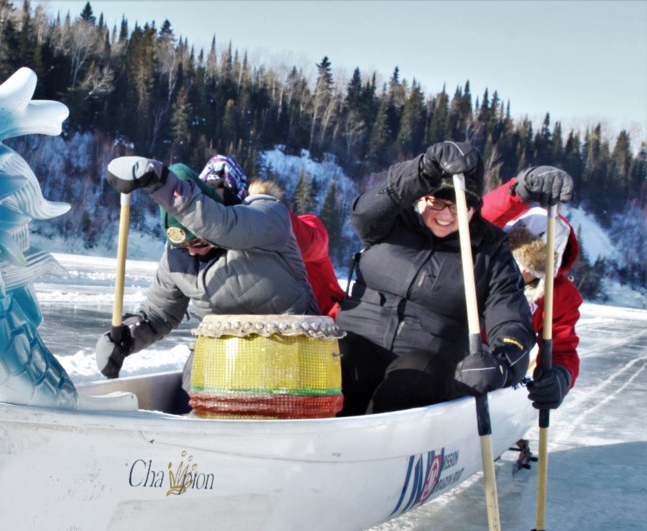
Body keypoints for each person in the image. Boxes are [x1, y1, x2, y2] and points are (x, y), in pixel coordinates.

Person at [335, 141, 536, 416]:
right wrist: (421, 169)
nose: (445, 215)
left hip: (424, 365)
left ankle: (380, 446)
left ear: (474, 209)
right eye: (438, 202)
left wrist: (502, 363)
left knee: (418, 374)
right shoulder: (391, 221)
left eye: (458, 207)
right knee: (337, 352)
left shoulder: (489, 253)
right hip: (358, 343)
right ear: (422, 198)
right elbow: (363, 212)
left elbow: (512, 321)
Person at [97, 154, 318, 394]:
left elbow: (223, 225)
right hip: (220, 369)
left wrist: (160, 181)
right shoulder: (176, 257)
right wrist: (126, 338)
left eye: (199, 242)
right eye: (183, 246)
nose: (191, 251)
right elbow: (157, 315)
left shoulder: (268, 217)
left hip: (289, 360)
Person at [481, 166, 582, 410]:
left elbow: (563, 348)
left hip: (504, 360)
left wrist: (561, 376)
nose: (519, 271)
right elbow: (475, 219)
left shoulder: (558, 295)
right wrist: (519, 191)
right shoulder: (483, 260)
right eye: (514, 259)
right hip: (460, 346)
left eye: (530, 266)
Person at [199, 155, 345, 318]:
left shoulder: (295, 225)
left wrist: (267, 220)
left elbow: (315, 241)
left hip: (333, 326)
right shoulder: (218, 249)